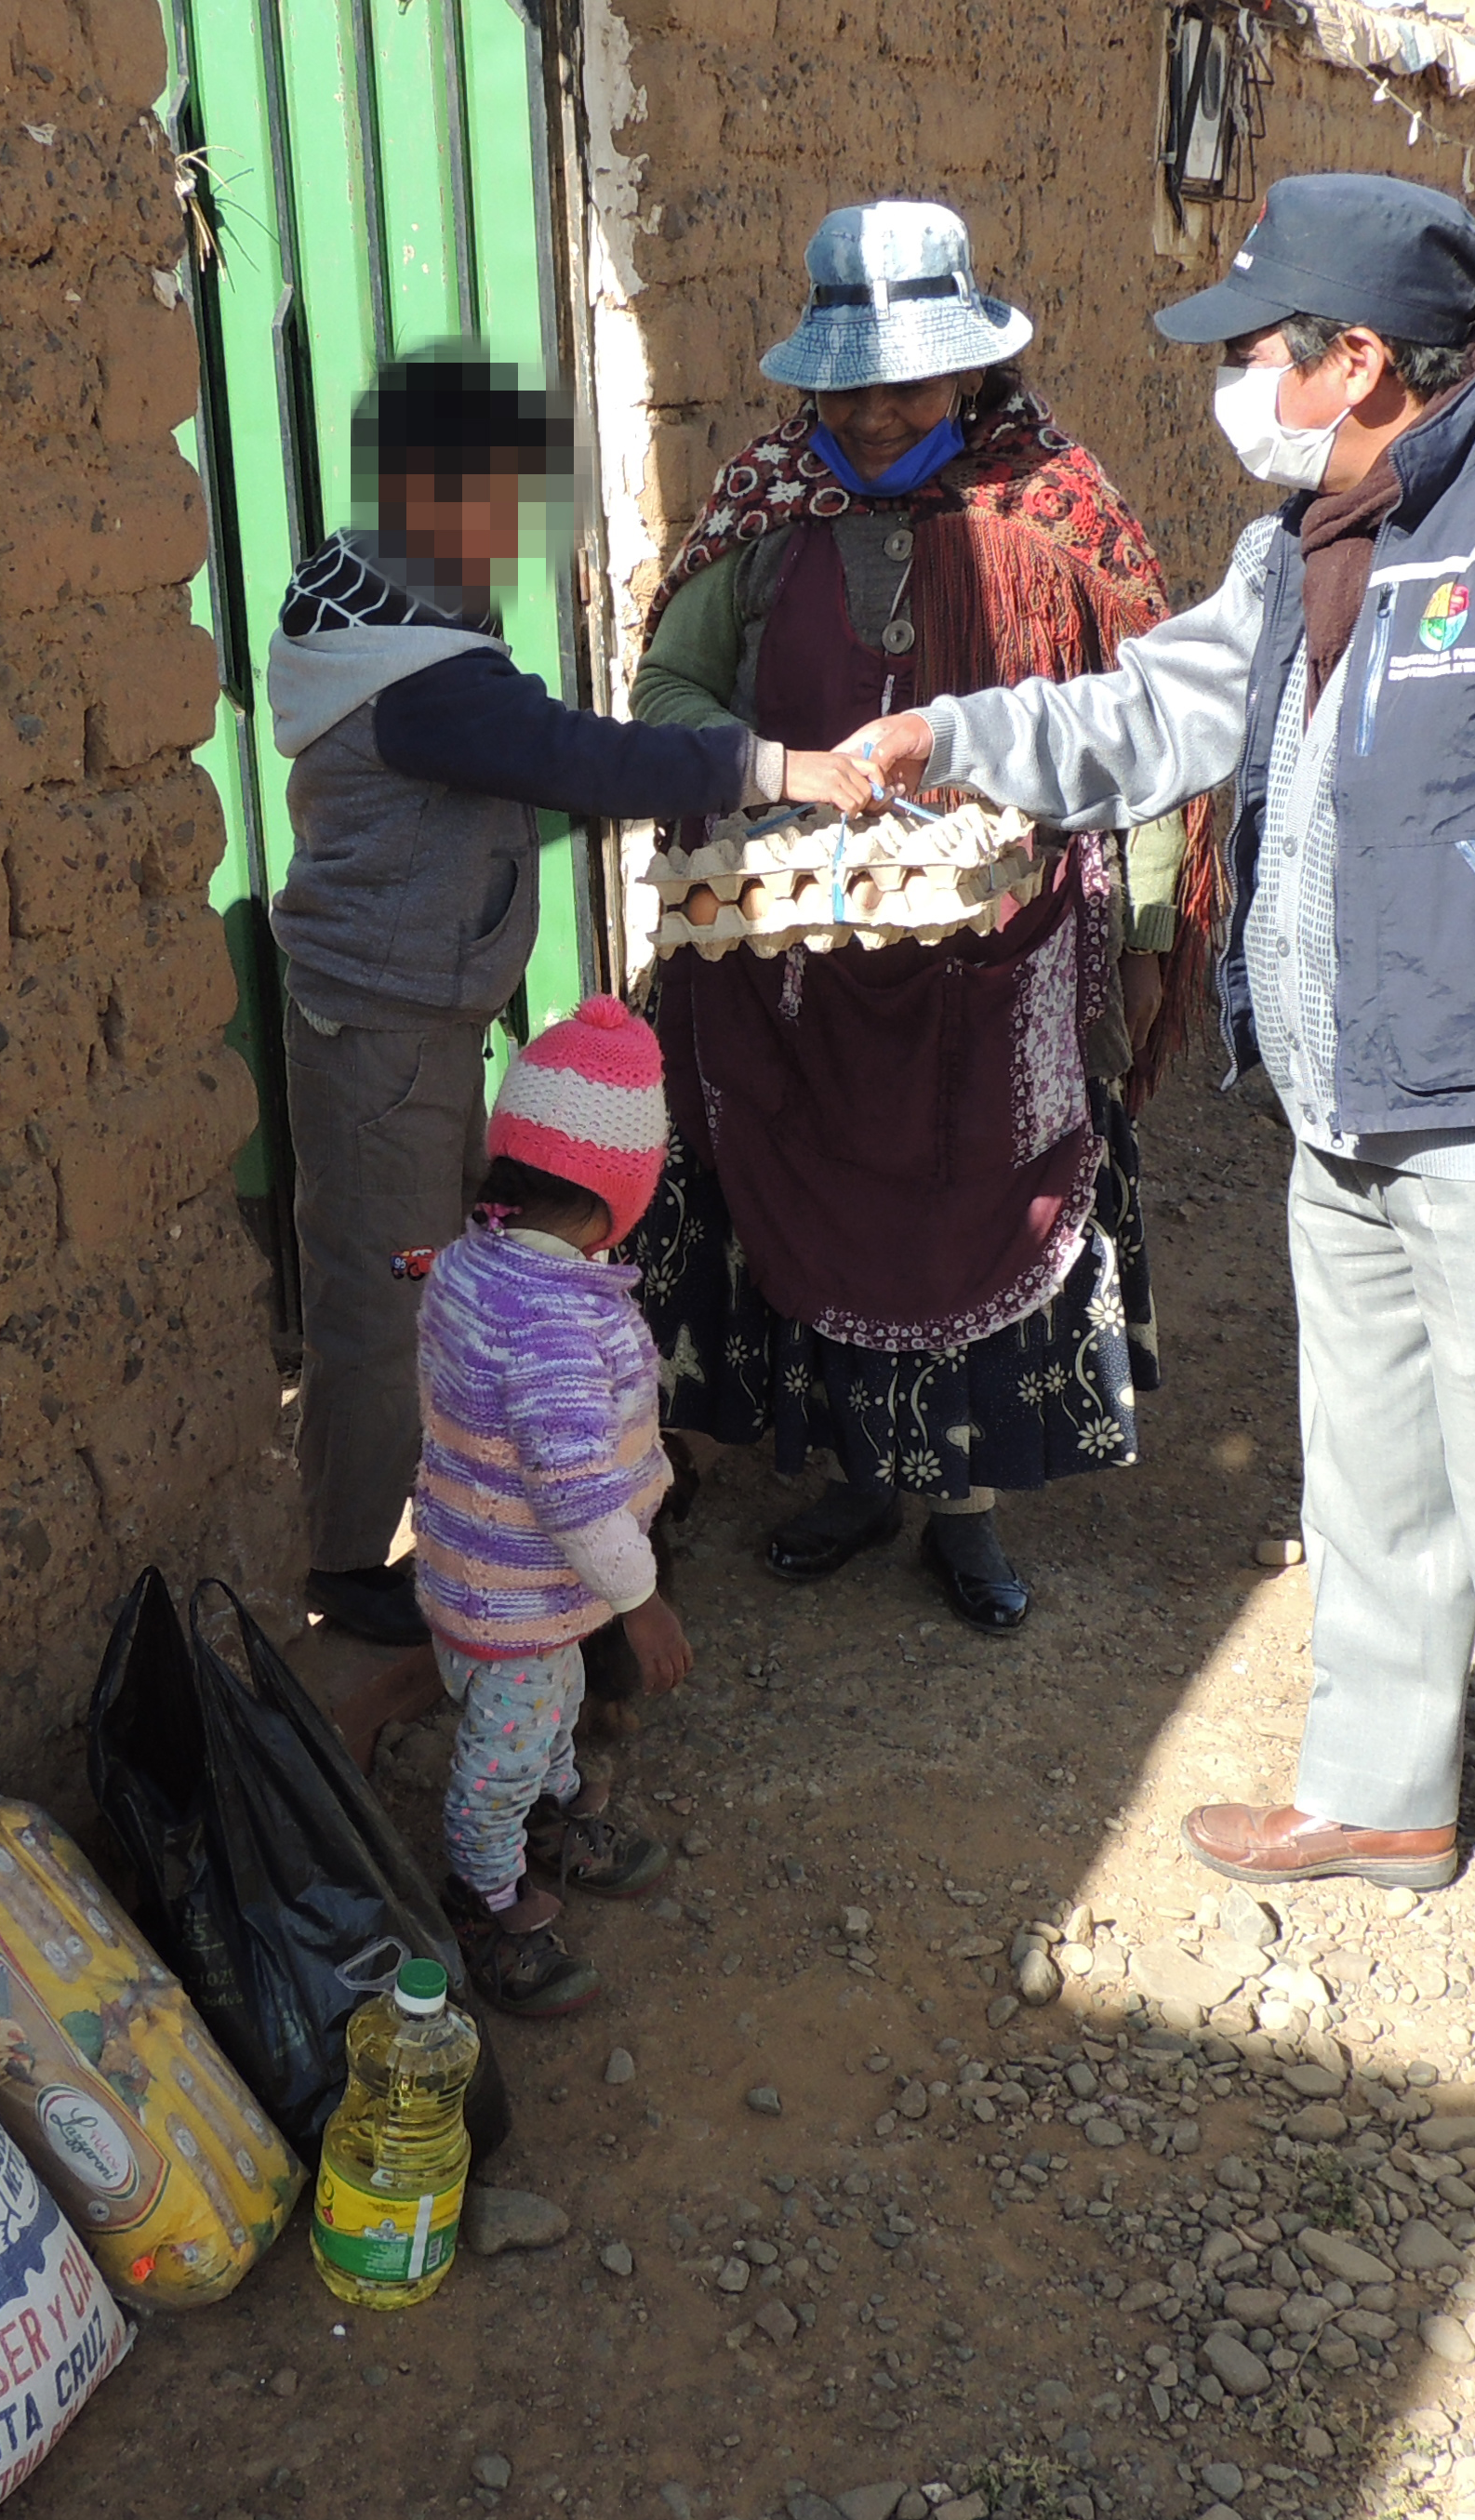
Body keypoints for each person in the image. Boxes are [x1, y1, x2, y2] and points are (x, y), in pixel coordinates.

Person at [845, 174, 1475, 2050]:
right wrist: (955, 738)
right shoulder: (1309, 538)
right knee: (1372, 1472)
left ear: (1355, 358)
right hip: (1347, 1100)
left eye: (1259, 349)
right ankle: (1381, 1789)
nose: (1233, 383)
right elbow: (1155, 714)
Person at [628, 203, 1222, 1635]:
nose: (880, 413)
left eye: (910, 381)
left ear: (970, 371)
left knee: (980, 1201)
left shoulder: (1056, 508)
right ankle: (853, 1475)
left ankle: (966, 1505)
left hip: (997, 958)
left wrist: (1147, 930)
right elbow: (673, 694)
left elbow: (1146, 727)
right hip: (799, 955)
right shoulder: (761, 509)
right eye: (852, 383)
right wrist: (773, 795)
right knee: (812, 1193)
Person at [267, 354, 871, 1648]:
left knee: (421, 1273)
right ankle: (345, 1565)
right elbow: (572, 757)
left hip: (403, 1001)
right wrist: (770, 767)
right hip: (381, 1019)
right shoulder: (416, 666)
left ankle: (447, 1493)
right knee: (383, 1298)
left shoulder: (390, 602)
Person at [408, 997, 690, 2016]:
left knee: (545, 1711)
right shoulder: (556, 1327)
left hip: (484, 1575)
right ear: (619, 1195)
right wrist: (642, 1601)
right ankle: (480, 1887)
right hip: (520, 1598)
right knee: (506, 1746)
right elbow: (572, 1497)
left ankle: (556, 1805)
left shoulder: (473, 1264)